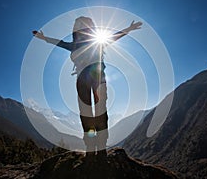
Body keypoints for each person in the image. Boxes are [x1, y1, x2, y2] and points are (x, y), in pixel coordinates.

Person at [33, 16, 142, 159]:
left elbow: (114, 37)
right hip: (88, 79)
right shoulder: (86, 43)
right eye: (79, 25)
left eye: (85, 25)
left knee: (99, 111)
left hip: (95, 79)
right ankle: (91, 147)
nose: (82, 27)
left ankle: (100, 146)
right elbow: (58, 43)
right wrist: (43, 37)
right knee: (87, 113)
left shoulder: (96, 42)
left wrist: (129, 29)